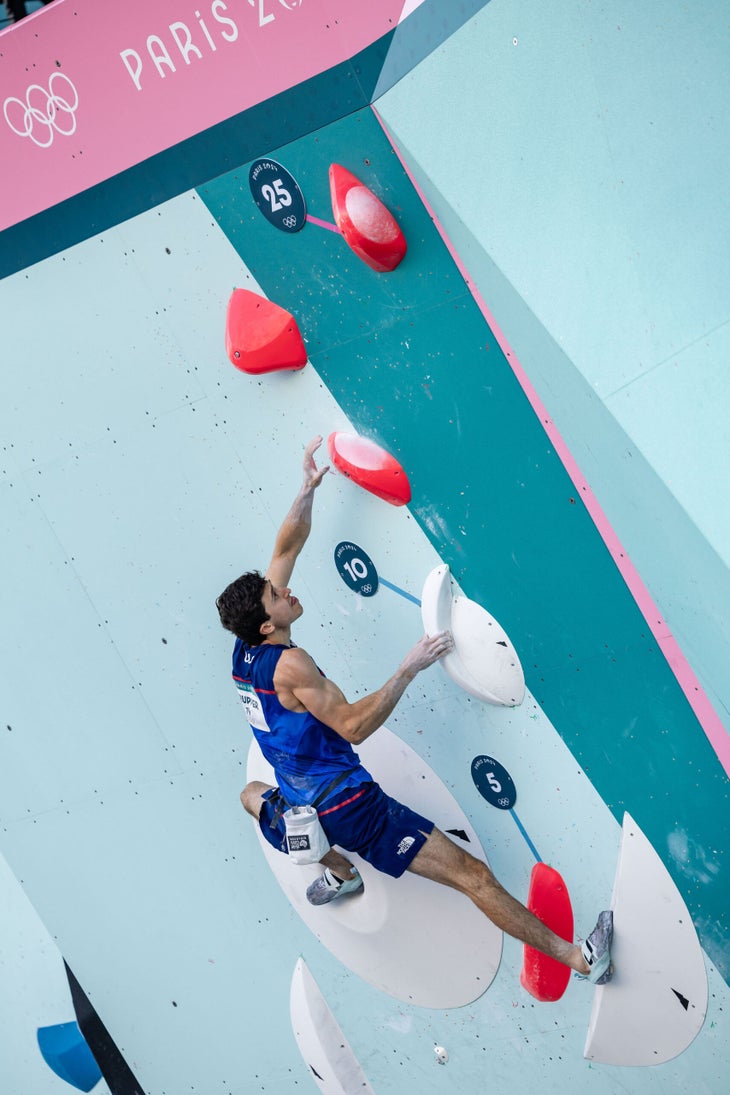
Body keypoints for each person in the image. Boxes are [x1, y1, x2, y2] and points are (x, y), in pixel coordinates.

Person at [217, 437, 613, 984]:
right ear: (269, 626)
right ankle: (579, 959)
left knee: (252, 796)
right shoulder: (291, 665)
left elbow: (285, 547)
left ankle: (336, 872)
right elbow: (353, 726)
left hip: (299, 803)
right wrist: (410, 665)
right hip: (350, 807)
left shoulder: (243, 650)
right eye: (276, 597)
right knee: (473, 876)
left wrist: (307, 490)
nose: (284, 590)